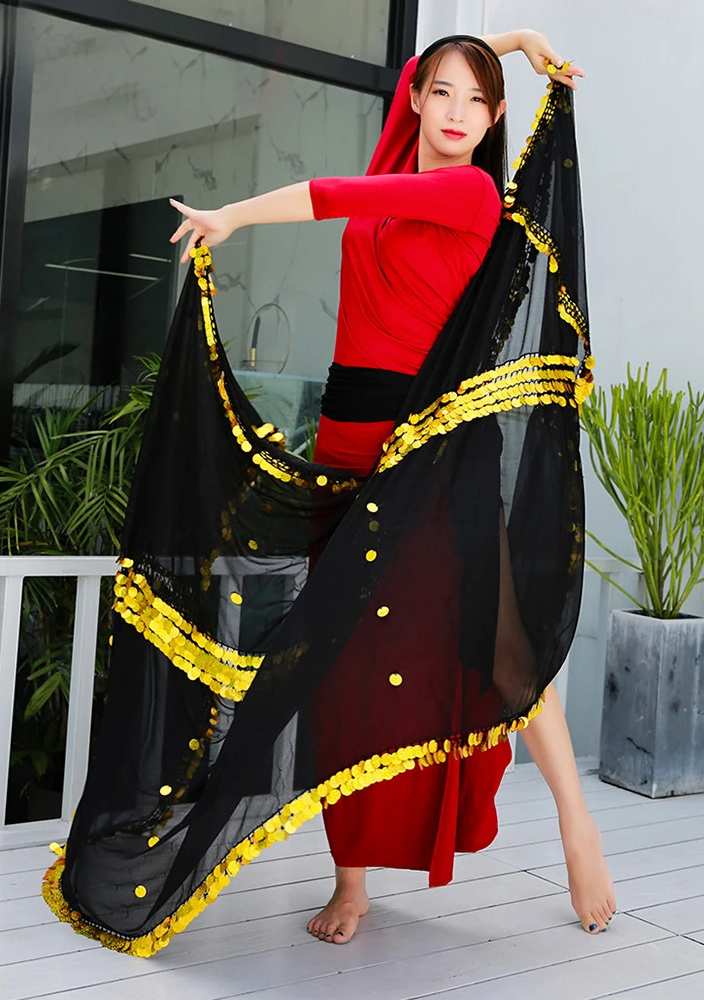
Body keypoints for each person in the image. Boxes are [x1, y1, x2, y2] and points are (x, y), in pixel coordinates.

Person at [165, 30, 615, 946]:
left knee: (500, 645)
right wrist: (513, 42)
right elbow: (414, 78)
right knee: (344, 667)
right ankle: (351, 882)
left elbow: (337, 195)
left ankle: (578, 829)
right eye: (440, 92)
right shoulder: (400, 152)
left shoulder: (471, 191)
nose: (454, 111)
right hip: (347, 444)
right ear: (416, 99)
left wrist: (233, 217)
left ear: (494, 119)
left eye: (475, 101)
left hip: (434, 449)